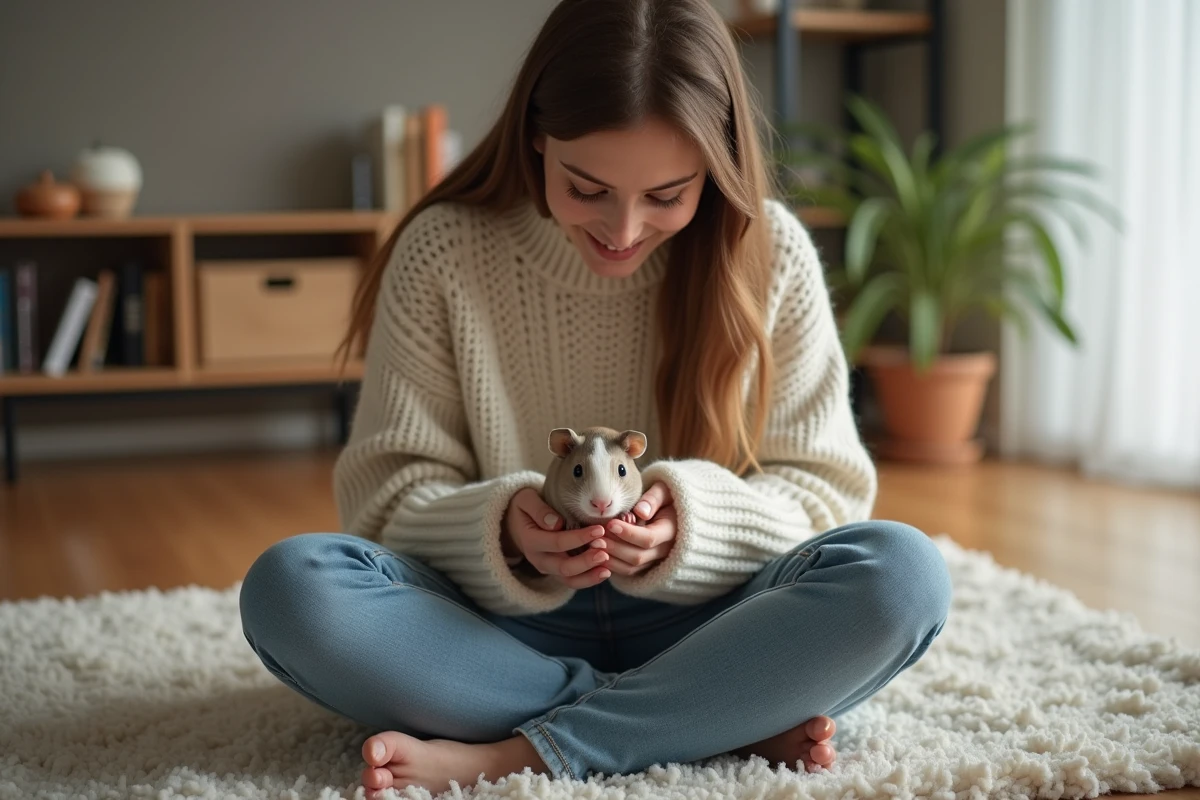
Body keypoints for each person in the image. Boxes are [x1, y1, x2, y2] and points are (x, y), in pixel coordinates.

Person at [238, 0, 952, 796]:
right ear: (537, 136)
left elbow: (828, 493)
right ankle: (712, 715)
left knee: (904, 576)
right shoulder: (443, 251)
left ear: (714, 166)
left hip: (710, 619)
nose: (622, 228)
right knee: (290, 588)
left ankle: (522, 752)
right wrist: (505, 532)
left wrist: (694, 523)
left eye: (667, 195)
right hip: (497, 631)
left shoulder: (768, 251)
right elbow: (383, 501)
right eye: (587, 187)